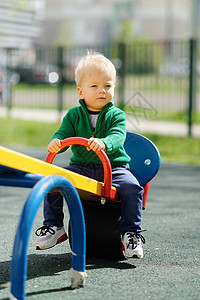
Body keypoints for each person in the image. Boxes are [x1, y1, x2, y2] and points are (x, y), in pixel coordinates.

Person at [35, 51, 145, 259]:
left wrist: (104, 143)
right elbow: (63, 134)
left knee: (132, 188)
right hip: (81, 168)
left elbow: (117, 137)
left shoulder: (116, 115)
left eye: (107, 85)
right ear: (81, 92)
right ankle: (54, 226)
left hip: (114, 168)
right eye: (94, 86)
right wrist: (56, 142)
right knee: (52, 181)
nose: (101, 91)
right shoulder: (73, 115)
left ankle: (131, 233)